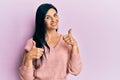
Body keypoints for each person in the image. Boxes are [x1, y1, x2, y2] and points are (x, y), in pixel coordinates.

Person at [19, 3, 82, 80]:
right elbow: (26, 78)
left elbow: (75, 71)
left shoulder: (67, 41)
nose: (53, 20)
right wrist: (28, 57)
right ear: (41, 21)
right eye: (48, 17)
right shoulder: (32, 43)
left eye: (55, 15)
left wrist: (75, 46)